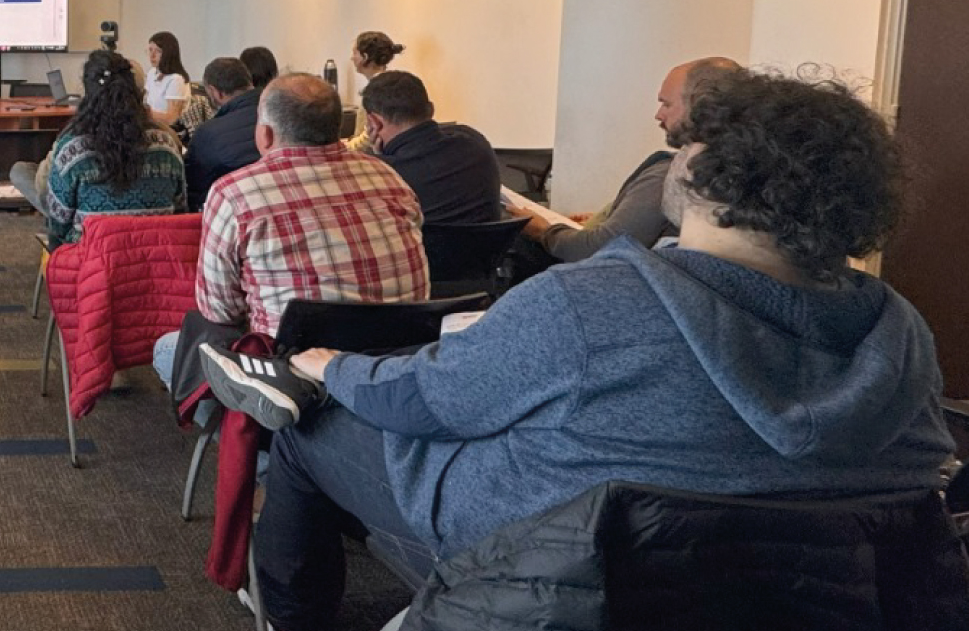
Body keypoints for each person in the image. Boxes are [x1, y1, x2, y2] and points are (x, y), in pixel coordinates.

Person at [261, 72, 952, 629]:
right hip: (806, 596)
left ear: (712, 173)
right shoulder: (901, 334)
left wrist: (337, 367)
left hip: (551, 571)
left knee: (306, 427)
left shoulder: (588, 302)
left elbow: (424, 401)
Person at [175, 75, 426, 377]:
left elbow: (219, 310)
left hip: (293, 374)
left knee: (167, 349)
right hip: (395, 365)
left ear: (266, 134)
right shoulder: (389, 178)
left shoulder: (234, 193)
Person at [522, 56, 740, 263]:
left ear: (702, 107)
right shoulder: (740, 169)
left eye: (667, 104)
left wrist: (543, 230)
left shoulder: (673, 175)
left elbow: (599, 248)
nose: (659, 114)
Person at [13, 50, 185, 248]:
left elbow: (59, 225)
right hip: (156, 256)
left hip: (90, 259)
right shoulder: (167, 144)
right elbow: (180, 210)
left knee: (24, 174)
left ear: (88, 94)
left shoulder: (73, 149)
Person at [361, 71, 501, 226]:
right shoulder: (475, 141)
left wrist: (379, 156)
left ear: (374, 122)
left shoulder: (383, 174)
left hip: (425, 242)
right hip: (492, 241)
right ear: (431, 110)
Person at [186, 56, 260, 212]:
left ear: (215, 93)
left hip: (231, 212)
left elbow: (193, 188)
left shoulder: (207, 134)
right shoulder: (282, 115)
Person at [144, 31, 191, 126]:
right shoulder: (152, 72)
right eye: (150, 50)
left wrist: (142, 114)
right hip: (152, 124)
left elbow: (171, 119)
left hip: (169, 129)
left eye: (158, 51)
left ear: (168, 53)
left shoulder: (176, 79)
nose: (152, 55)